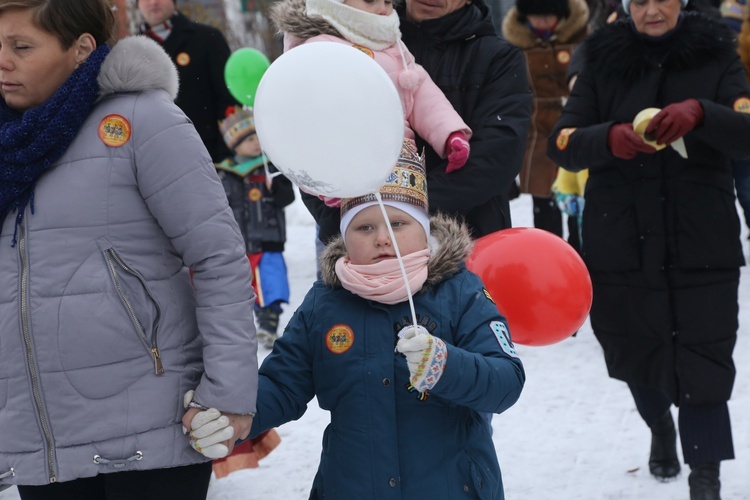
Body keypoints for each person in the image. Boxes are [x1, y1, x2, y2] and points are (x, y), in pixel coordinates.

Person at [0, 0, 256, 497]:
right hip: (42, 442)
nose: (3, 61)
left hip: (153, 433)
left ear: (81, 49)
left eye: (21, 46)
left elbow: (218, 258)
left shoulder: (142, 121)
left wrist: (227, 396)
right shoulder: (6, 143)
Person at [547, 0, 750, 497]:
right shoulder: (599, 57)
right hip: (621, 238)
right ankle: (660, 425)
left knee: (706, 356)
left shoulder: (717, 52)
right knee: (635, 348)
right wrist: (609, 139)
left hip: (702, 233)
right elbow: (562, 142)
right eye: (639, 0)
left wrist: (704, 113)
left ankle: (706, 476)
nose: (652, 9)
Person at [244, 152, 525, 498]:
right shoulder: (325, 303)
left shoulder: (460, 290)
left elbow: (506, 381)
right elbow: (283, 384)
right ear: (345, 237)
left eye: (398, 223)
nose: (382, 238)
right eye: (365, 227)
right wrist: (232, 414)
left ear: (422, 230)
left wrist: (445, 365)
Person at [301, 0, 532, 245]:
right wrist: (340, 219)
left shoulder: (497, 58)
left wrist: (403, 207)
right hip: (363, 245)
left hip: (466, 240)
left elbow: (497, 156)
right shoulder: (345, 39)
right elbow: (303, 140)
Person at [271, 0, 473, 211]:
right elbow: (303, 126)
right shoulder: (318, 49)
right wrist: (326, 185)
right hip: (348, 168)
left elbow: (422, 93)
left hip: (401, 168)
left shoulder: (391, 44)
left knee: (408, 234)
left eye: (388, 1)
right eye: (370, 0)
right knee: (366, 236)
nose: (382, 9)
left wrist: (450, 134)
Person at [501, 0, 588, 247]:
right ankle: (551, 253)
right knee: (544, 205)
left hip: (576, 132)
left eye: (548, 16)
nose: (541, 23)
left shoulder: (582, 39)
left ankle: (578, 252)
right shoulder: (517, 47)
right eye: (535, 17)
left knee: (577, 200)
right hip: (536, 137)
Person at [217, 106, 295, 349]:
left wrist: (278, 188)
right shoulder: (223, 172)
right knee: (241, 287)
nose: (256, 143)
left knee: (271, 282)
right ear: (235, 144)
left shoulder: (271, 168)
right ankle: (241, 331)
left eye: (258, 138)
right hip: (238, 243)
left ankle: (269, 324)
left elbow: (287, 199)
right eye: (250, 139)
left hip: (269, 238)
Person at [137, 0, 237, 162]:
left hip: (208, 155)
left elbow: (227, 99)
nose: (153, 2)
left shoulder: (207, 39)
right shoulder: (130, 52)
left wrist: (225, 156)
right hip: (157, 161)